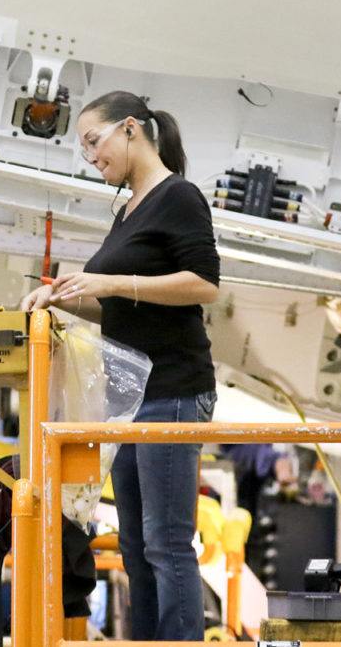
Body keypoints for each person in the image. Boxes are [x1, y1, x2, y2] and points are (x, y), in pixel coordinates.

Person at [20, 91, 220, 641]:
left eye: (93, 141)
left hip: (173, 388)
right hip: (133, 394)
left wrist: (109, 281)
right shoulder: (129, 207)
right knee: (134, 542)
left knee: (165, 540)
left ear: (130, 129)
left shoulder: (177, 195)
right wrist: (61, 298)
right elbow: (114, 306)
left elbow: (204, 283)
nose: (90, 156)